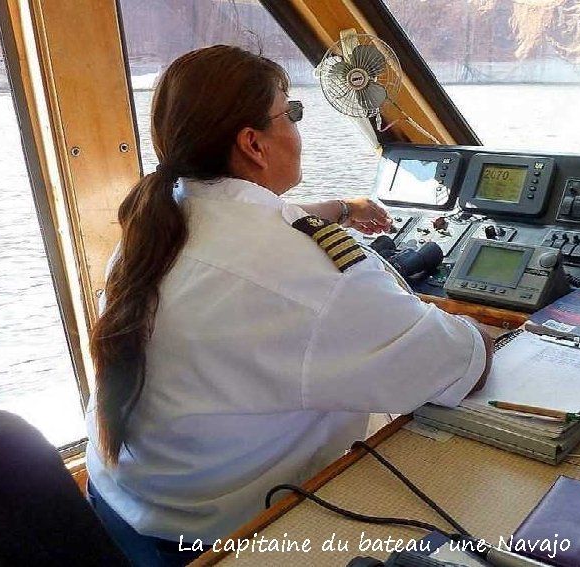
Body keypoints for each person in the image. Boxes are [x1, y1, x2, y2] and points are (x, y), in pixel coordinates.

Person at [84, 45, 493, 566]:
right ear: (253, 143)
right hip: (221, 541)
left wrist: (343, 208)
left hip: (121, 510)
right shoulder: (319, 274)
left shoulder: (154, 227)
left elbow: (251, 230)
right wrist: (482, 330)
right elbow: (460, 363)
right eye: (291, 113)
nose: (298, 127)